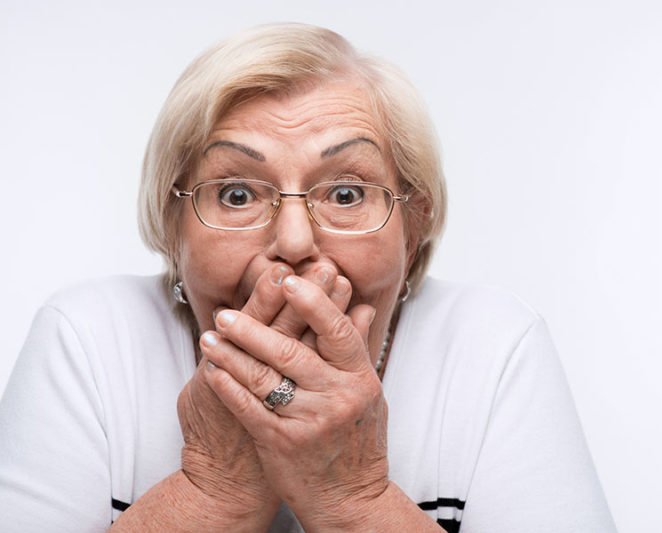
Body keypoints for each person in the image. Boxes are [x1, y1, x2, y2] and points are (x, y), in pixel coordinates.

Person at [0, 23, 616, 532]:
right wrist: (212, 485)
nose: (294, 243)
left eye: (347, 192)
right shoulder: (86, 338)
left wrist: (354, 496)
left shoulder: (494, 346)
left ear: (415, 220)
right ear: (172, 224)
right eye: (237, 193)